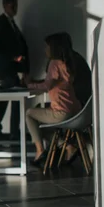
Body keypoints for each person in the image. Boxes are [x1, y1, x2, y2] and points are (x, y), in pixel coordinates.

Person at [24, 33, 82, 165]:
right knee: (39, 127)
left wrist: (28, 85)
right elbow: (52, 83)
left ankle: (40, 151)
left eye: (47, 46)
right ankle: (69, 147)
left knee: (29, 114)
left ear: (54, 48)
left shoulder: (54, 63)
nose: (45, 49)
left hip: (61, 113)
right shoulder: (66, 63)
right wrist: (34, 83)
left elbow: (46, 86)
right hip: (75, 111)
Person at [0, 0, 29, 140]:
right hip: (5, 68)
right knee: (6, 99)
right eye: (13, 6)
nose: (15, 9)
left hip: (10, 68)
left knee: (7, 99)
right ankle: (5, 131)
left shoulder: (10, 23)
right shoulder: (0, 23)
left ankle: (5, 130)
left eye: (16, 6)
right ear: (5, 6)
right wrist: (13, 58)